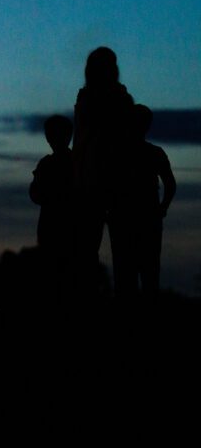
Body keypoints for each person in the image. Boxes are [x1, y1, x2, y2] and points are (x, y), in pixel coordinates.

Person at [71, 48, 134, 297]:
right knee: (118, 253)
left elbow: (81, 142)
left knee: (89, 251)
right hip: (110, 180)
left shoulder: (90, 99)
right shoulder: (117, 98)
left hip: (98, 180)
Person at [109, 105, 176, 301]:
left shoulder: (115, 153)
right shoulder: (153, 152)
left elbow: (170, 184)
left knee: (126, 276)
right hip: (144, 219)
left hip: (126, 220)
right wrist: (162, 208)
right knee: (148, 275)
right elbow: (170, 184)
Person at [30, 115, 76, 304]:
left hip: (56, 228)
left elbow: (35, 194)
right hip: (67, 228)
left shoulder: (48, 163)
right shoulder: (76, 162)